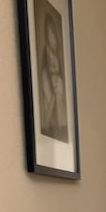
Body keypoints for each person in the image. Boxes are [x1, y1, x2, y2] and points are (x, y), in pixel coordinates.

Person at [39, 13, 68, 142]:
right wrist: (55, 95)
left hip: (64, 127)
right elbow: (46, 119)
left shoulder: (59, 72)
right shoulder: (45, 75)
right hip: (55, 130)